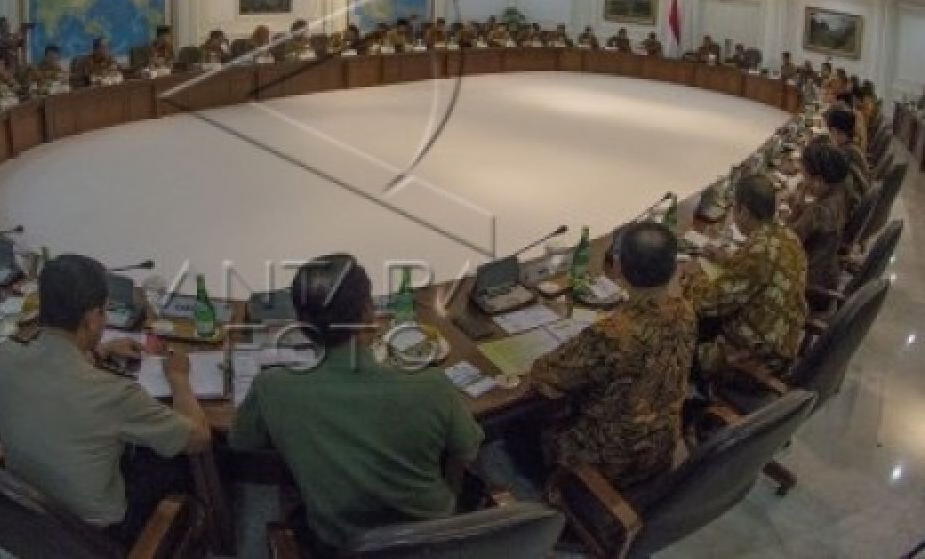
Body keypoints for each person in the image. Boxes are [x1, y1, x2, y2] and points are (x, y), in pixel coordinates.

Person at [231, 254, 483, 553]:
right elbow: (467, 450)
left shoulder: (271, 388)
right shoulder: (431, 385)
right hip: (435, 540)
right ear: (368, 313)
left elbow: (242, 442)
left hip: (342, 543)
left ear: (300, 322)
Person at [0, 254, 209, 547]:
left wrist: (99, 352)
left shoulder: (7, 353)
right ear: (91, 318)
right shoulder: (112, 392)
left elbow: (58, 375)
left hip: (30, 506)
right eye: (105, 312)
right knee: (174, 463)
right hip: (93, 531)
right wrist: (179, 380)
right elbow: (199, 438)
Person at [508, 222, 695, 488]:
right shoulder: (685, 312)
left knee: (514, 428)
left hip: (607, 462)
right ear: (674, 267)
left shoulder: (613, 333)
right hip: (660, 448)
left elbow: (545, 378)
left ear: (618, 268)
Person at [685, 174, 807, 379]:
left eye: (734, 209)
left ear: (743, 211)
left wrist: (694, 275)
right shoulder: (787, 236)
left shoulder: (758, 252)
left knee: (677, 351)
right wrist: (726, 259)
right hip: (782, 340)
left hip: (752, 359)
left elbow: (708, 302)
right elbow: (757, 271)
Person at [786, 143, 849, 294]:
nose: (803, 180)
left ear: (819, 180)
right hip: (826, 274)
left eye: (805, 175)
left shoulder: (819, 211)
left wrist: (795, 206)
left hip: (808, 286)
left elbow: (786, 242)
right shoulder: (838, 193)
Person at [825, 106, 870, 213]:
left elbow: (829, 185)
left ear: (834, 131)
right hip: (856, 203)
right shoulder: (853, 147)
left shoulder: (844, 155)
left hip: (846, 209)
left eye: (829, 131)